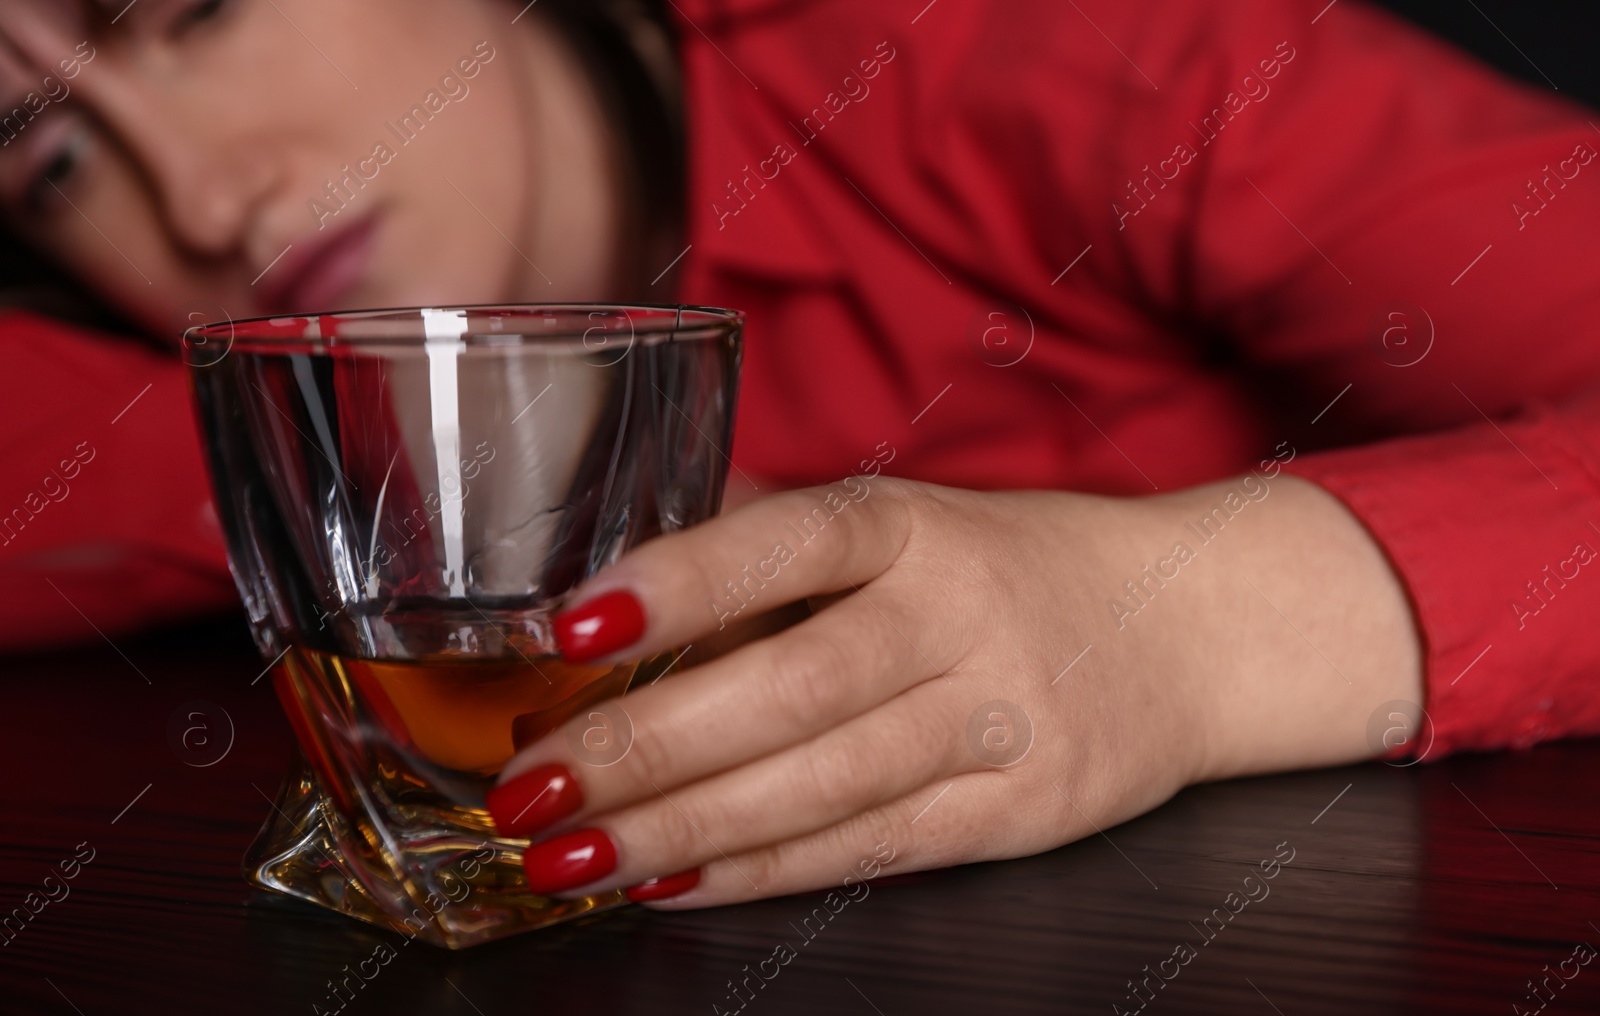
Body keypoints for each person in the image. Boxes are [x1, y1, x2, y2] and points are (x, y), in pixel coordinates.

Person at [0, 0, 1596, 910]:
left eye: (194, 9)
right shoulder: (181, 343)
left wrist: (1180, 635)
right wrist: (338, 473)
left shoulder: (1032, 49)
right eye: (51, 159)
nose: (205, 202)